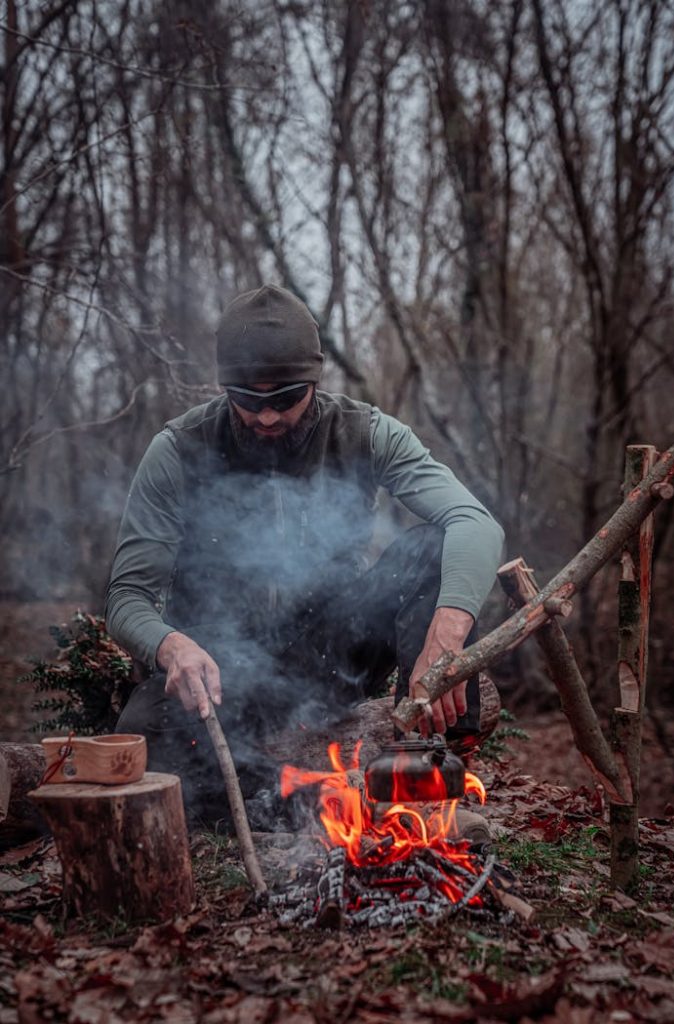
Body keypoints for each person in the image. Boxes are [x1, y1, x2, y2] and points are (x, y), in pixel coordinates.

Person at [106, 285, 505, 825]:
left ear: (315, 382)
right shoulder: (178, 450)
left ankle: (430, 779)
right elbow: (127, 597)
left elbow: (474, 522)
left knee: (431, 546)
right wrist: (172, 646)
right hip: (222, 669)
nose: (267, 417)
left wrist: (449, 632)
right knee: (145, 742)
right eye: (248, 400)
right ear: (226, 389)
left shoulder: (365, 432)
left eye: (285, 398)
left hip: (333, 651)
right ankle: (314, 801)